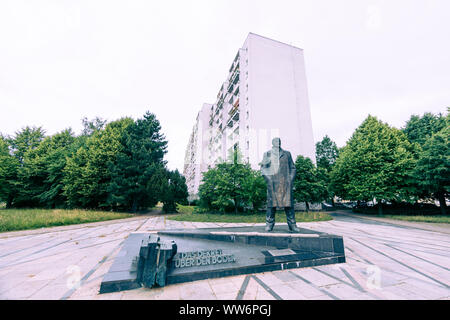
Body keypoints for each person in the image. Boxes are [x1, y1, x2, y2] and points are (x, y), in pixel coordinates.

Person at [260, 137, 300, 232]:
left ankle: (292, 225)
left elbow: (293, 168)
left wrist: (290, 179)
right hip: (273, 183)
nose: (277, 143)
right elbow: (263, 169)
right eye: (276, 141)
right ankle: (269, 224)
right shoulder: (267, 154)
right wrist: (269, 180)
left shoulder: (287, 154)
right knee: (271, 205)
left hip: (285, 183)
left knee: (288, 205)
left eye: (279, 141)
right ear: (272, 143)